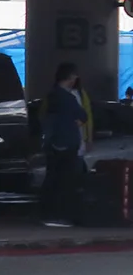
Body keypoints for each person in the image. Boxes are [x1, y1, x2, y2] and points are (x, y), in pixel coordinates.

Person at [42, 63, 88, 228]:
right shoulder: (69, 98)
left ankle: (50, 214)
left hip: (54, 143)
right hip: (68, 144)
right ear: (70, 77)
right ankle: (63, 215)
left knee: (53, 179)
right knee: (67, 181)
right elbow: (83, 115)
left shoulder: (52, 97)